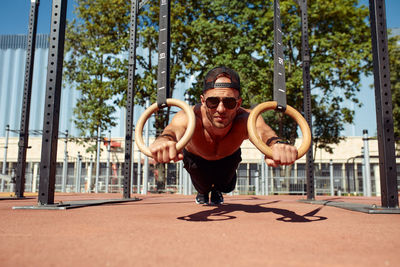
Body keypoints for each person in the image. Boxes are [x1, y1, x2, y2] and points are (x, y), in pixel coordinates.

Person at [149, 66, 298, 205]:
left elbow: (264, 132)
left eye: (229, 102)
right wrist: (164, 140)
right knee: (202, 186)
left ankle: (217, 190)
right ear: (203, 101)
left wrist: (276, 145)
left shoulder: (246, 119)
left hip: (228, 158)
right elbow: (173, 130)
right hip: (196, 159)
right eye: (213, 101)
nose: (221, 109)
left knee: (226, 186)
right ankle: (203, 192)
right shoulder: (191, 116)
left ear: (238, 103)